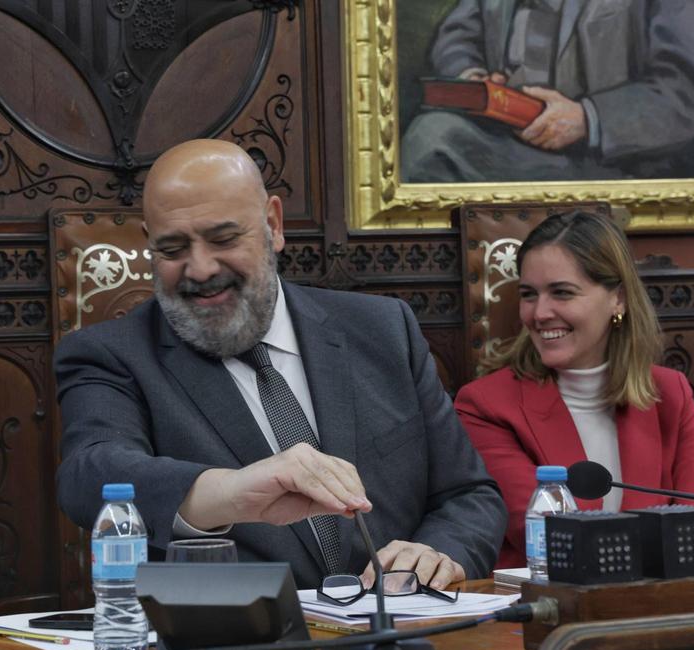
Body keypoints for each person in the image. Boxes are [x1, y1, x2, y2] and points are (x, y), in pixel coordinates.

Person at [54, 139, 505, 590]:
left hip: (402, 623)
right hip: (241, 629)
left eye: (224, 239)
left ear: (273, 224)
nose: (201, 268)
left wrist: (435, 554)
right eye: (172, 249)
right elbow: (90, 474)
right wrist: (233, 490)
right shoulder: (113, 354)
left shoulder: (384, 329)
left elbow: (468, 495)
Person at [454, 210, 694, 568]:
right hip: (548, 599)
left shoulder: (669, 393)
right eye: (529, 294)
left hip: (660, 597)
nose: (540, 313)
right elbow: (552, 536)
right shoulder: (487, 406)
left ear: (618, 299)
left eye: (562, 293)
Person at [400, 0, 694, 182]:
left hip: (614, 165)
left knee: (432, 139)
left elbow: (686, 94)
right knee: (428, 139)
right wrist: (474, 77)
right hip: (505, 142)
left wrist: (587, 119)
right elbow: (457, 35)